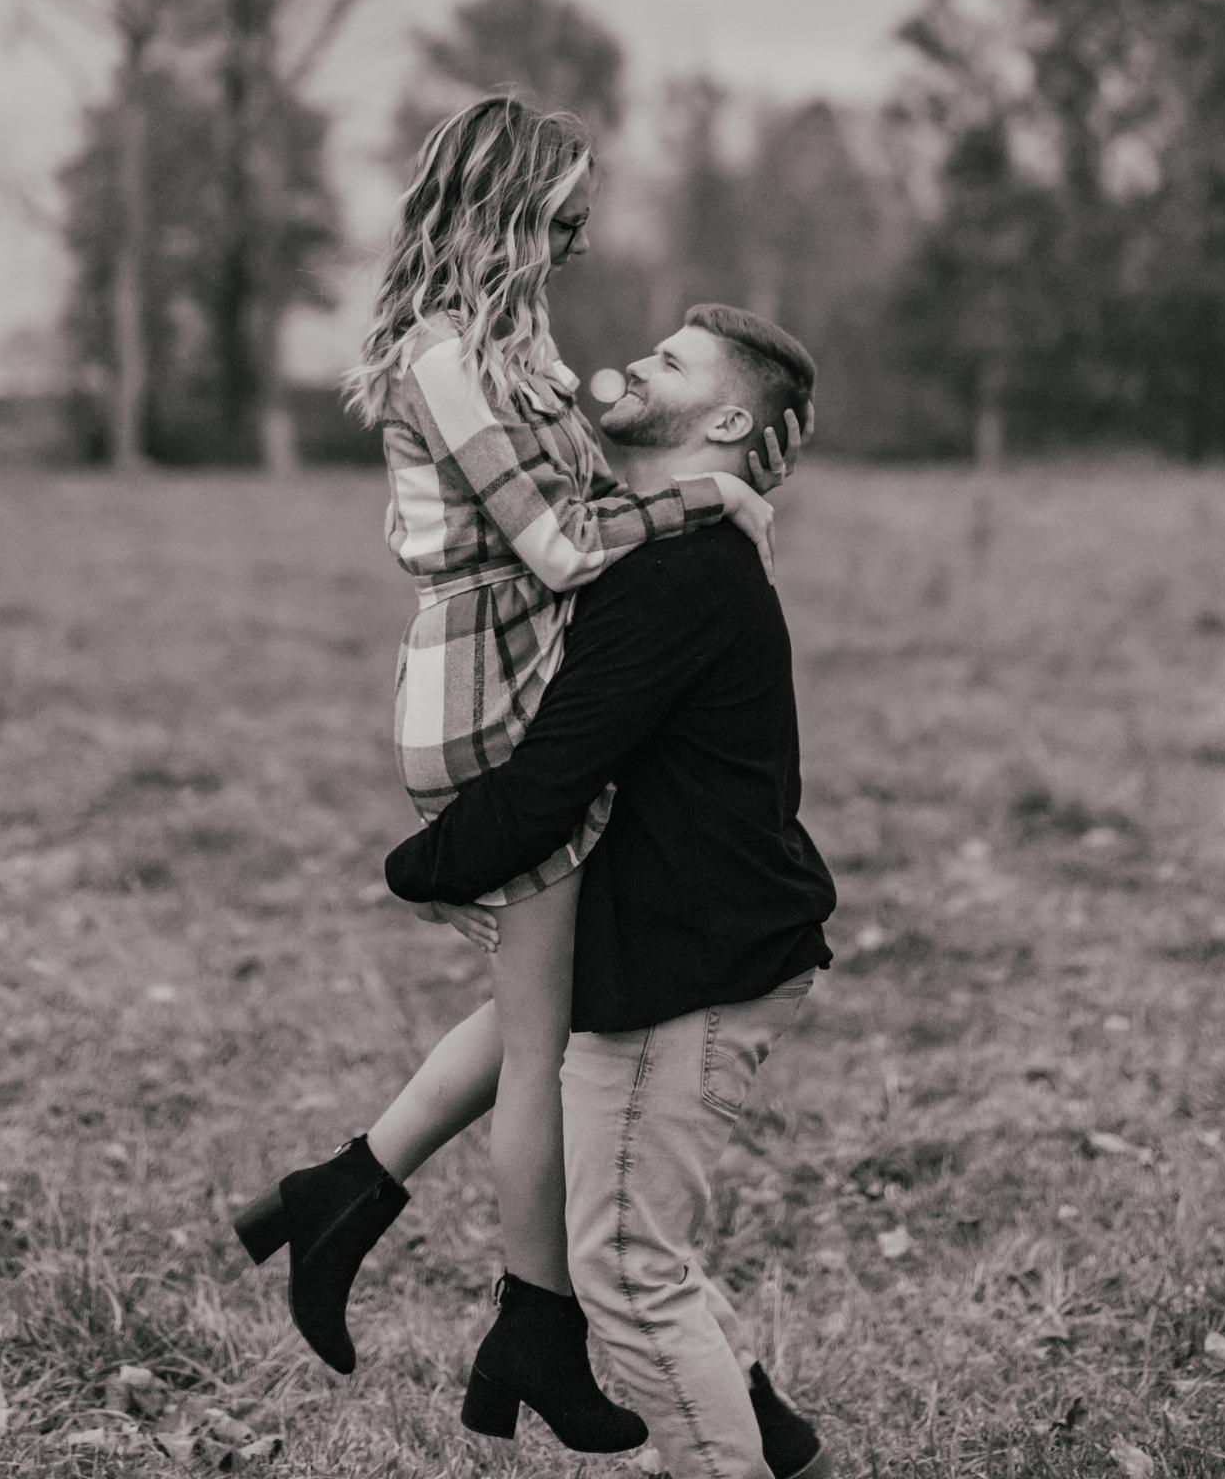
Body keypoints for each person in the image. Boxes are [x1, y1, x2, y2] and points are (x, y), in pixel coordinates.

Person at [231, 96, 793, 1456]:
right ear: (502, 209)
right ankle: (534, 1325)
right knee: (546, 1042)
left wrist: (719, 450)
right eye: (564, 217)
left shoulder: (515, 340)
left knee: (549, 997)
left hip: (524, 672)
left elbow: (597, 494)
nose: (580, 241)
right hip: (484, 699)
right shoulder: (440, 354)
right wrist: (705, 498)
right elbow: (555, 545)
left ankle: (346, 1194)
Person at [385, 303, 836, 1479]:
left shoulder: (675, 575)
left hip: (686, 971)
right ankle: (777, 1448)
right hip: (661, 954)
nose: (636, 361)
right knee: (635, 1249)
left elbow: (547, 784)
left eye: (672, 363)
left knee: (629, 1273)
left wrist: (413, 865)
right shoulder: (653, 544)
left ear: (729, 418)